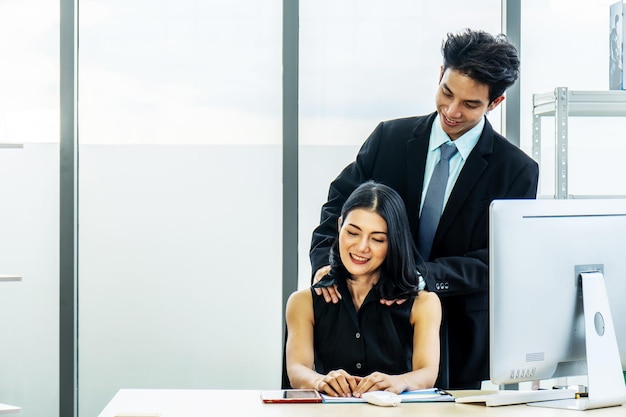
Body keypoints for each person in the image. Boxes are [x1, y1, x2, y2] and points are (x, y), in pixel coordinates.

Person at [309, 29, 539, 389]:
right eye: (447, 93)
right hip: (373, 330)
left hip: (461, 333)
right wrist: (325, 263)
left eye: (470, 104)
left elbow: (498, 259)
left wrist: (418, 278)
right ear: (440, 73)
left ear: (495, 103)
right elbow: (337, 208)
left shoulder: (516, 171)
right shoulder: (389, 139)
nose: (451, 110)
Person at [286, 181, 441, 397]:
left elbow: (427, 372)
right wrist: (320, 381)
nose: (361, 247)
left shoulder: (424, 303)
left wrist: (399, 382)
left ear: (394, 242)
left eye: (377, 239)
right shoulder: (303, 302)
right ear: (339, 226)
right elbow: (296, 370)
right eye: (353, 233)